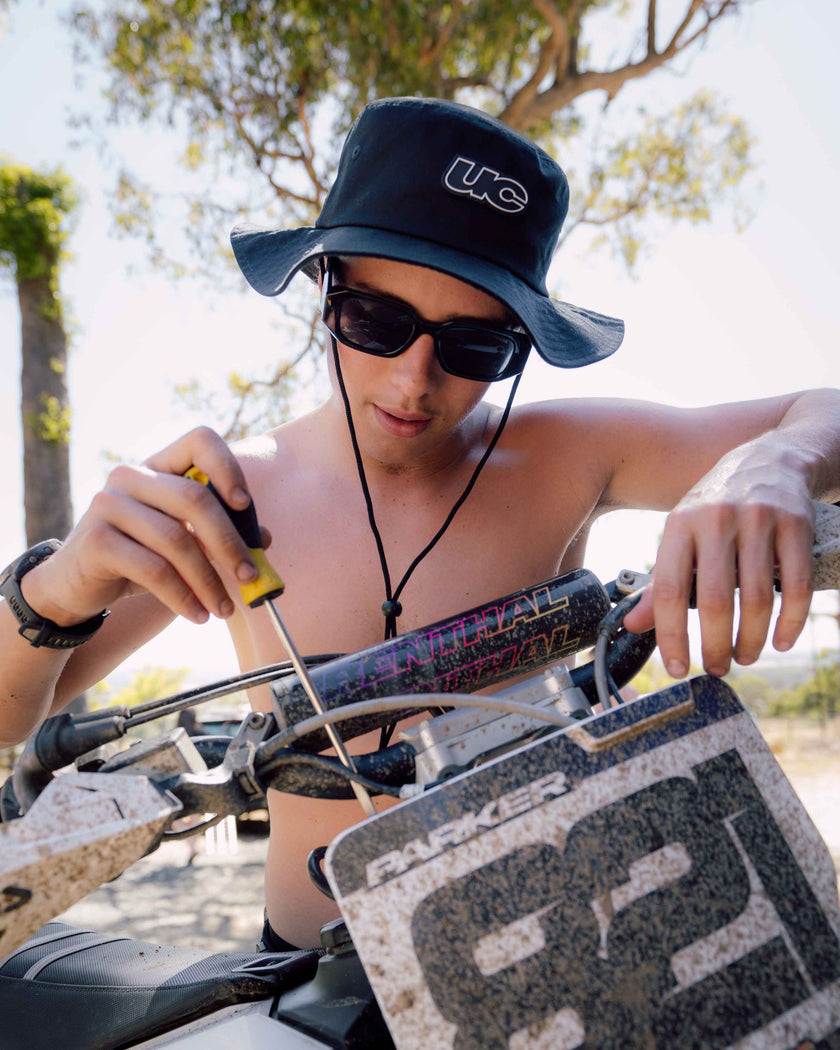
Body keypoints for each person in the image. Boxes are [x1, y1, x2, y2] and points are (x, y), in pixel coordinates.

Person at [1, 97, 839, 951]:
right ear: (324, 291)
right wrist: (55, 591)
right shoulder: (227, 494)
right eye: (377, 322)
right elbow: (8, 717)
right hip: (306, 991)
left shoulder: (570, 453)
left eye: (475, 348)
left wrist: (777, 460)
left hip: (562, 956)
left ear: (521, 343)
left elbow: (826, 411)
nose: (413, 384)